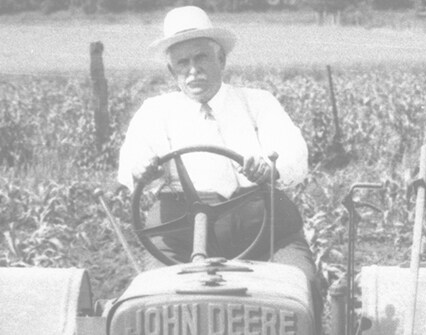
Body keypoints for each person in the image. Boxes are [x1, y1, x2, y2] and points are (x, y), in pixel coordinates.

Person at [116, 6, 315, 282]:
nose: (193, 71)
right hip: (180, 237)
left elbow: (295, 154)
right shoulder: (154, 111)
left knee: (300, 284)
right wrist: (144, 171)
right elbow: (131, 165)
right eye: (183, 63)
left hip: (265, 233)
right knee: (156, 297)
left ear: (221, 59)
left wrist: (271, 169)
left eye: (202, 58)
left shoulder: (258, 102)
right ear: (171, 70)